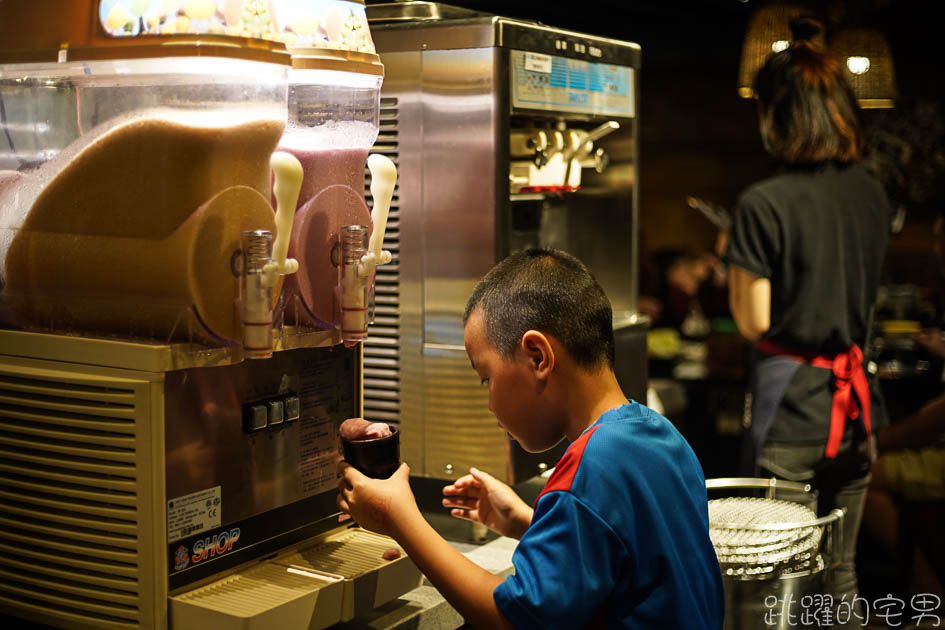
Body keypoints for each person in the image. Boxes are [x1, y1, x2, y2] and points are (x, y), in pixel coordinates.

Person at [337, 248, 725, 629]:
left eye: (486, 378)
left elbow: (510, 618)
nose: (489, 402)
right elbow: (629, 550)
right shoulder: (661, 436)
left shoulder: (590, 467)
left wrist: (398, 516)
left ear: (538, 356)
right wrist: (527, 521)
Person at [723, 16, 893, 621]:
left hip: (791, 415)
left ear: (778, 115)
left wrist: (733, 271)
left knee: (774, 579)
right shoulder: (871, 194)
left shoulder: (762, 203)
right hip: (858, 412)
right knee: (839, 573)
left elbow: (755, 321)